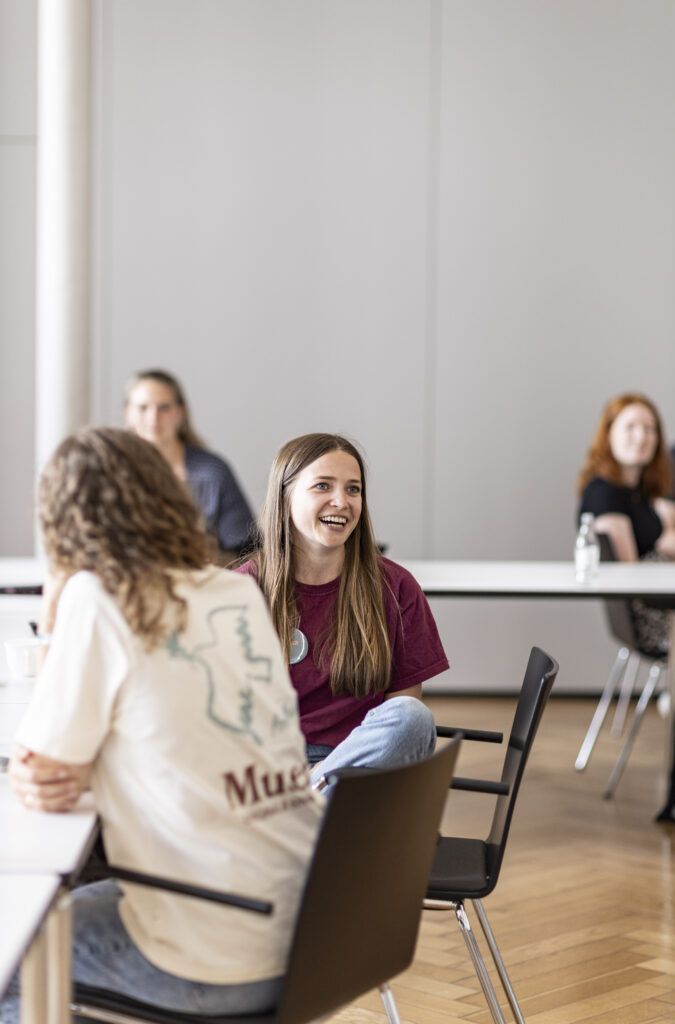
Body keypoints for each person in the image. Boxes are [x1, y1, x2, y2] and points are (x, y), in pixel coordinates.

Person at [1, 428, 322, 1023]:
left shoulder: (99, 597)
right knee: (83, 901)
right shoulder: (235, 592)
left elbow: (44, 770)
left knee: (13, 944)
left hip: (217, 958)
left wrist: (58, 601)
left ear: (65, 522)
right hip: (307, 934)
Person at [236, 432, 447, 788]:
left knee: (412, 717)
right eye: (323, 486)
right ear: (286, 497)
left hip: (356, 772)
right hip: (267, 769)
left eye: (353, 489)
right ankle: (305, 810)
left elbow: (400, 716)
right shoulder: (239, 591)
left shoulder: (396, 588)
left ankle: (307, 800)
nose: (341, 501)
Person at [577, 392, 675, 653]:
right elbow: (628, 575)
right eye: (631, 427)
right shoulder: (605, 492)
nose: (641, 437)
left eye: (650, 429)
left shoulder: (634, 492)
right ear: (609, 433)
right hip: (655, 619)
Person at [124, 368, 254, 560]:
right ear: (127, 413)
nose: (153, 418)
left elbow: (246, 548)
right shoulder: (111, 472)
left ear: (180, 412)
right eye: (143, 408)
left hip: (203, 582)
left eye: (164, 407)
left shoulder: (213, 472)